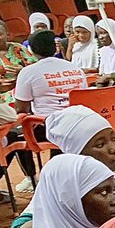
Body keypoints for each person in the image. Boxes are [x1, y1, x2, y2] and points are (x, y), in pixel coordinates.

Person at [12, 31, 86, 195]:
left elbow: (21, 109)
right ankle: (57, 178)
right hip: (79, 125)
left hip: (48, 128)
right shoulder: (75, 68)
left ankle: (31, 179)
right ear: (55, 48)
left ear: (30, 50)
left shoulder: (29, 72)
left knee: (13, 135)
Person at [94, 19, 115, 86]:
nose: (100, 37)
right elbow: (101, 76)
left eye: (103, 33)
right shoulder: (102, 51)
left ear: (113, 32)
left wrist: (108, 76)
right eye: (98, 34)